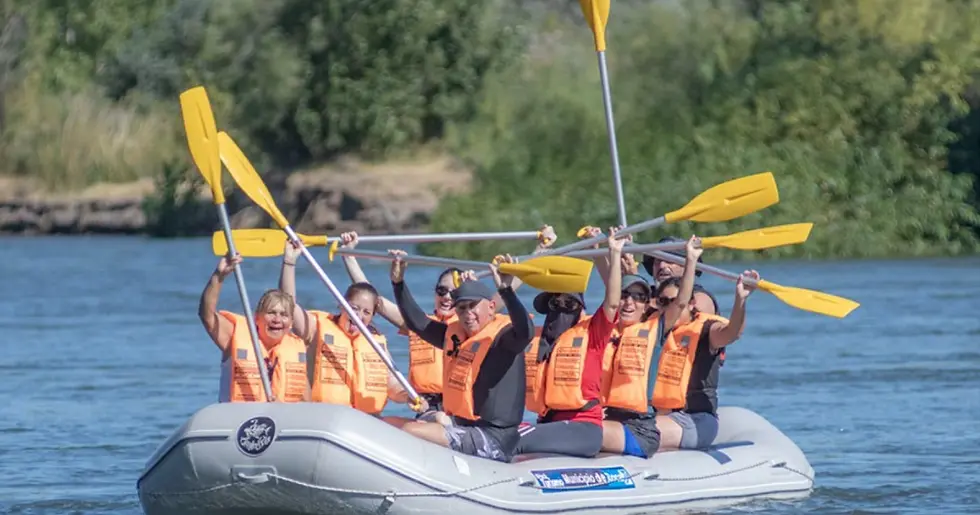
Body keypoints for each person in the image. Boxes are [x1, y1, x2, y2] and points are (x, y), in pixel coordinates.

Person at [334, 227, 556, 417]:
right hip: (427, 407)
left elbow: (509, 288)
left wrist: (540, 250)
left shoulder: (476, 324)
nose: (447, 297)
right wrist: (349, 256)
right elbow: (372, 300)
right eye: (442, 291)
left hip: (460, 406)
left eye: (454, 293)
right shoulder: (422, 325)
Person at [387, 252, 534, 462]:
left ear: (491, 307)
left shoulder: (504, 339)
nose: (467, 314)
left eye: (473, 306)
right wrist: (398, 283)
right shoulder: (455, 337)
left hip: (495, 439)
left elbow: (525, 332)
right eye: (462, 308)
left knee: (410, 430)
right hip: (463, 425)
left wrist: (506, 291)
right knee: (388, 423)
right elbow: (418, 322)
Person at [515, 227, 624, 458]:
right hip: (547, 423)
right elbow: (489, 311)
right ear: (548, 309)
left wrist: (611, 254)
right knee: (505, 434)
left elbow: (614, 302)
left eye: (570, 305)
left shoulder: (593, 333)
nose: (562, 309)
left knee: (514, 438)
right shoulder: (535, 337)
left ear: (580, 309)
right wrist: (536, 255)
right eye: (556, 305)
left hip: (583, 427)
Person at [279, 241, 422, 415]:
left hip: (367, 421)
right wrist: (289, 262)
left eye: (366, 312)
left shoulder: (376, 342)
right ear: (341, 305)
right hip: (326, 418)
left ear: (372, 316)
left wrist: (408, 395)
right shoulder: (317, 327)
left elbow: (392, 383)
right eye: (354, 308)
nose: (358, 316)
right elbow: (289, 307)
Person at [599, 236, 703, 459]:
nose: (629, 303)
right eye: (625, 296)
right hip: (608, 417)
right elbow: (611, 296)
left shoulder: (655, 329)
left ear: (647, 304)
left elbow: (681, 301)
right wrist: (608, 251)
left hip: (638, 426)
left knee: (584, 432)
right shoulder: (606, 328)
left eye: (638, 298)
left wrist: (691, 259)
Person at [644, 268, 757, 451]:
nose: (669, 308)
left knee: (637, 432)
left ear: (690, 303)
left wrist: (740, 300)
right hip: (659, 415)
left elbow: (732, 332)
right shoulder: (654, 329)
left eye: (674, 301)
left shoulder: (706, 330)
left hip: (695, 420)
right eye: (663, 302)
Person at [198, 252, 310, 403]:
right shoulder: (235, 336)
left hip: (283, 420)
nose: (277, 320)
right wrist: (219, 276)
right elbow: (207, 315)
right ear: (257, 317)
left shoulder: (296, 348)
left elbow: (307, 403)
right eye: (271, 313)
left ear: (290, 323)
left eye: (283, 315)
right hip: (240, 421)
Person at [641, 236, 719, 315]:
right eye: (658, 260)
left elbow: (682, 314)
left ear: (686, 266)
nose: (662, 265)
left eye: (669, 260)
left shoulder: (700, 298)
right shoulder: (647, 294)